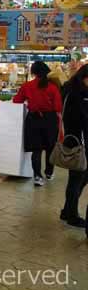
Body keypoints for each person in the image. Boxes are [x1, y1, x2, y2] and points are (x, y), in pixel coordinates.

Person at [13, 61, 62, 187]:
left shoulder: (27, 86)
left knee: (36, 149)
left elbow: (17, 100)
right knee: (50, 147)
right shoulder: (53, 87)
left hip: (33, 119)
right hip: (50, 120)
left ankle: (37, 177)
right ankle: (49, 173)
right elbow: (58, 107)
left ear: (33, 72)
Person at [60, 65, 88, 228]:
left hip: (76, 140)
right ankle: (72, 215)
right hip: (79, 143)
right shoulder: (77, 94)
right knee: (77, 179)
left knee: (79, 179)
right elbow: (81, 119)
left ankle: (67, 210)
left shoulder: (72, 90)